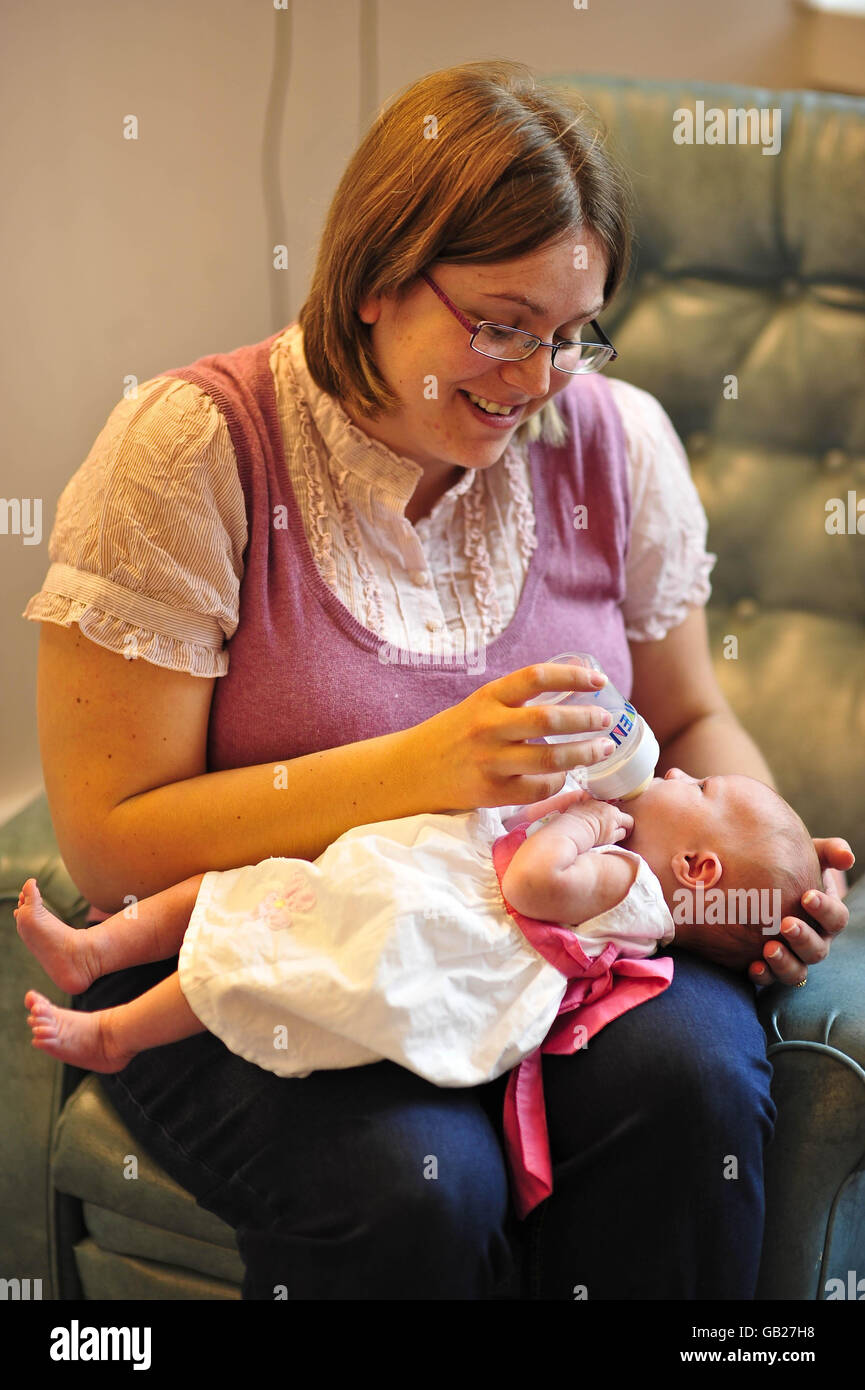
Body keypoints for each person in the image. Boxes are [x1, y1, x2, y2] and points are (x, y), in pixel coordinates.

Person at [21, 58, 852, 1300]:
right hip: (262, 934)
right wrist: (418, 769)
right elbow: (112, 845)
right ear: (372, 281)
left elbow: (686, 714)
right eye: (502, 324)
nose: (535, 382)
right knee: (424, 1183)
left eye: (573, 334)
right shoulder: (195, 455)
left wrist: (759, 869)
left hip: (541, 943)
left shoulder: (611, 444)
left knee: (688, 1087)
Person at [18, 767, 825, 1224]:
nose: (677, 769)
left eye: (703, 786)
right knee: (237, 894)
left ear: (698, 871)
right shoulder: (638, 871)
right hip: (406, 886)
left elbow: (536, 882)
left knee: (254, 959)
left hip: (419, 933)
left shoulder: (626, 877)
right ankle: (95, 951)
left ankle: (116, 1032)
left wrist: (583, 823)